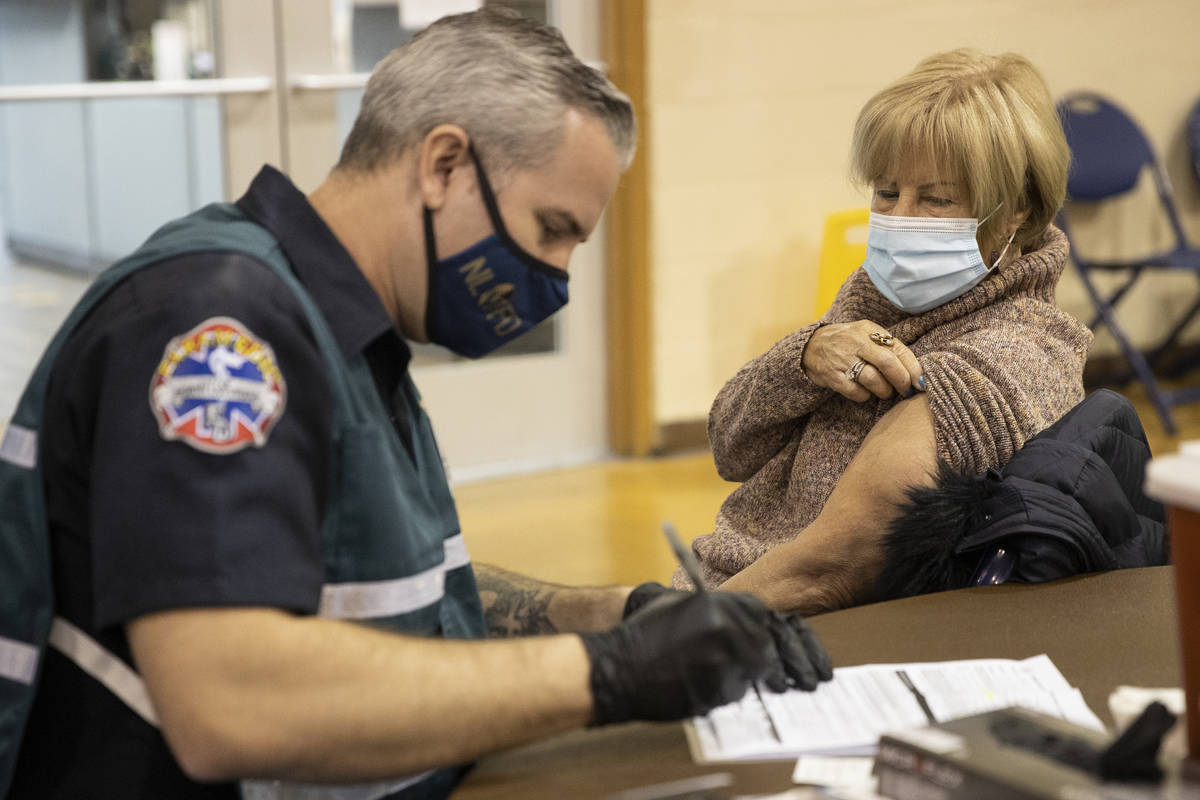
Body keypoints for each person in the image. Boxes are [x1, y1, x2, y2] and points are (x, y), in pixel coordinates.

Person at [0, 9, 831, 799]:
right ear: (441, 165)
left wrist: (621, 615)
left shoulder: (347, 333)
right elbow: (232, 699)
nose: (558, 274)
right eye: (549, 228)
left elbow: (396, 600)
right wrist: (607, 673)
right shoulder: (222, 328)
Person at [673, 50, 1093, 613]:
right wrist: (807, 356)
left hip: (780, 626)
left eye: (937, 198)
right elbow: (730, 445)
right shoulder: (874, 296)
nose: (901, 218)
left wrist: (654, 637)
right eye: (887, 191)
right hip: (719, 584)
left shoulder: (1015, 354)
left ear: (1016, 208)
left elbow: (828, 572)